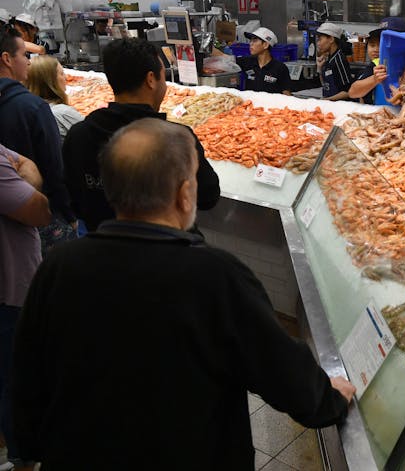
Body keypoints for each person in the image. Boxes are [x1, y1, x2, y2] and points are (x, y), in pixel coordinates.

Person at [11, 118, 356, 470]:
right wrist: (329, 400)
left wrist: (31, 444)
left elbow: (26, 370)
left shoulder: (60, 266)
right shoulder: (215, 275)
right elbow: (279, 370)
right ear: (184, 194)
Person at [63, 38, 220, 231]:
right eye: (163, 76)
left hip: (101, 250)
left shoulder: (78, 135)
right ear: (151, 79)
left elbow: (73, 200)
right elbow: (208, 196)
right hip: (168, 253)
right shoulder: (177, 140)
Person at [0, 25, 75, 251]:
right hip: (38, 218)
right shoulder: (33, 108)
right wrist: (69, 214)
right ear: (7, 59)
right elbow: (54, 169)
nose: (29, 61)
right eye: (24, 55)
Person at [0, 143, 50, 471]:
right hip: (8, 289)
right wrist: (27, 177)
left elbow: (23, 160)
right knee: (16, 378)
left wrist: (22, 168)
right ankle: (22, 458)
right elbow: (40, 210)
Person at [348, 17, 405, 104]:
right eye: (372, 45)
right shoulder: (378, 64)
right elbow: (353, 92)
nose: (376, 49)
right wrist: (374, 79)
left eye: (385, 42)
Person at [25, 55, 84, 138]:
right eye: (61, 73)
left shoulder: (27, 111)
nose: (66, 77)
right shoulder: (63, 112)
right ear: (51, 81)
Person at [236, 27, 291, 95]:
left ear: (265, 45)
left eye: (255, 41)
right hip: (250, 104)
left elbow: (286, 93)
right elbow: (227, 59)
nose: (251, 44)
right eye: (251, 41)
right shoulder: (247, 62)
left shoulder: (280, 68)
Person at [315, 22, 352, 101]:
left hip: (339, 106)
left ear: (331, 39)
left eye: (320, 39)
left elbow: (348, 92)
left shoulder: (339, 60)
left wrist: (328, 100)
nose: (318, 43)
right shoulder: (328, 58)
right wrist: (320, 68)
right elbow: (325, 85)